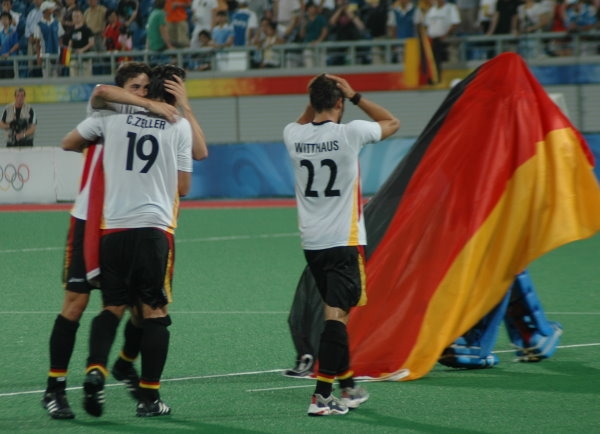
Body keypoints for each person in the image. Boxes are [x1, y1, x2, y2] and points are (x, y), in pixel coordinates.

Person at [40, 62, 175, 420]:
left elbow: (72, 141)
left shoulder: (142, 121)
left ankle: (125, 366)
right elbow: (74, 132)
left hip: (121, 225)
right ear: (122, 88)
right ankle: (54, 388)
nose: (142, 93)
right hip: (90, 220)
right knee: (75, 304)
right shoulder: (106, 111)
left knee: (138, 308)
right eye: (135, 86)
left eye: (147, 88)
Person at [283, 74, 400, 416]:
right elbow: (391, 122)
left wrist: (318, 96)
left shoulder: (293, 135)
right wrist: (356, 95)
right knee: (337, 316)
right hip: (344, 240)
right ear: (340, 103)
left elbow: (305, 119)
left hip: (312, 242)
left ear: (312, 101)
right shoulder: (351, 132)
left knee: (334, 314)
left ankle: (347, 386)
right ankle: (321, 397)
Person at [66, 8, 94, 76]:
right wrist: (67, 57)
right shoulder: (71, 31)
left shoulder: (87, 30)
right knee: (73, 80)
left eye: (78, 16)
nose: (76, 18)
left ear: (82, 17)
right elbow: (70, 45)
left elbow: (91, 43)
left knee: (86, 79)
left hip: (85, 59)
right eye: (74, 16)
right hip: (74, 59)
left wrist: (82, 50)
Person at [0, 11, 20, 78]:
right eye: (2, 19)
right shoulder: (0, 34)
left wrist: (8, 53)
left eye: (5, 19)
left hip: (11, 60)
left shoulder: (13, 33)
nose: (4, 21)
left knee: (9, 78)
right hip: (1, 60)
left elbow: (16, 45)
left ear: (10, 21)